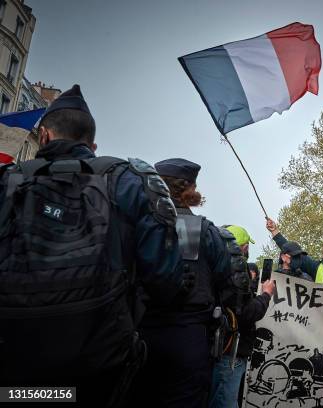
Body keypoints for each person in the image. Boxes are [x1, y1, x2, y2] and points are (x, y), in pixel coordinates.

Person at [0, 85, 184, 407]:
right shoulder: (129, 181)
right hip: (97, 363)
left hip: (12, 361)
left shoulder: (7, 180)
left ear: (43, 137)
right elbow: (164, 281)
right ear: (93, 145)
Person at [128, 158, 235, 407]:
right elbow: (226, 285)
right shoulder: (208, 233)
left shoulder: (138, 225)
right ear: (191, 189)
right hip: (188, 338)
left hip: (139, 333)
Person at [209, 225, 275, 408]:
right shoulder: (236, 270)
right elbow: (247, 312)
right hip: (231, 349)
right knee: (226, 400)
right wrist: (266, 295)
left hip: (216, 345)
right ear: (244, 247)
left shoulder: (213, 264)